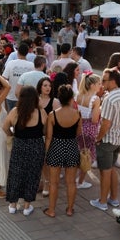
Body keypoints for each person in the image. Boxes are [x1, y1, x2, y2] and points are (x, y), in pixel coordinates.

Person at [3, 86, 47, 216]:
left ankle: (13, 204)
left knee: (16, 173)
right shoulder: (41, 112)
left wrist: (11, 135)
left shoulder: (15, 112)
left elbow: (5, 127)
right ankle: (27, 206)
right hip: (36, 147)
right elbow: (45, 131)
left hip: (19, 146)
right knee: (32, 175)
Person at [89, 69, 120, 211]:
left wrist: (98, 138)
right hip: (119, 139)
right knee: (111, 170)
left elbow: (106, 123)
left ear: (112, 81)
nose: (102, 83)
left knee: (105, 171)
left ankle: (103, 201)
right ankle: (114, 198)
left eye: (104, 80)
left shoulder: (109, 99)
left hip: (107, 140)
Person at [43, 85, 82, 217]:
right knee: (71, 182)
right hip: (71, 147)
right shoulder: (77, 114)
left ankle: (52, 210)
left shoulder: (52, 115)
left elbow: (48, 137)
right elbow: (78, 132)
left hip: (56, 147)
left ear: (59, 99)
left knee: (54, 182)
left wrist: (46, 153)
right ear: (71, 98)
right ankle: (70, 209)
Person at [75, 72, 101, 186]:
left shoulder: (78, 96)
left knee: (78, 153)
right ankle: (80, 181)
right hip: (90, 129)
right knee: (86, 156)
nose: (101, 85)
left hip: (78, 127)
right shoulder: (95, 99)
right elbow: (95, 120)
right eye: (98, 83)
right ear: (92, 85)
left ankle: (72, 177)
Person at [3, 43, 34, 111]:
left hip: (11, 96)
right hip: (26, 97)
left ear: (17, 52)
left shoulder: (11, 63)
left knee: (11, 117)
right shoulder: (31, 65)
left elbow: (4, 79)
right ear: (27, 53)